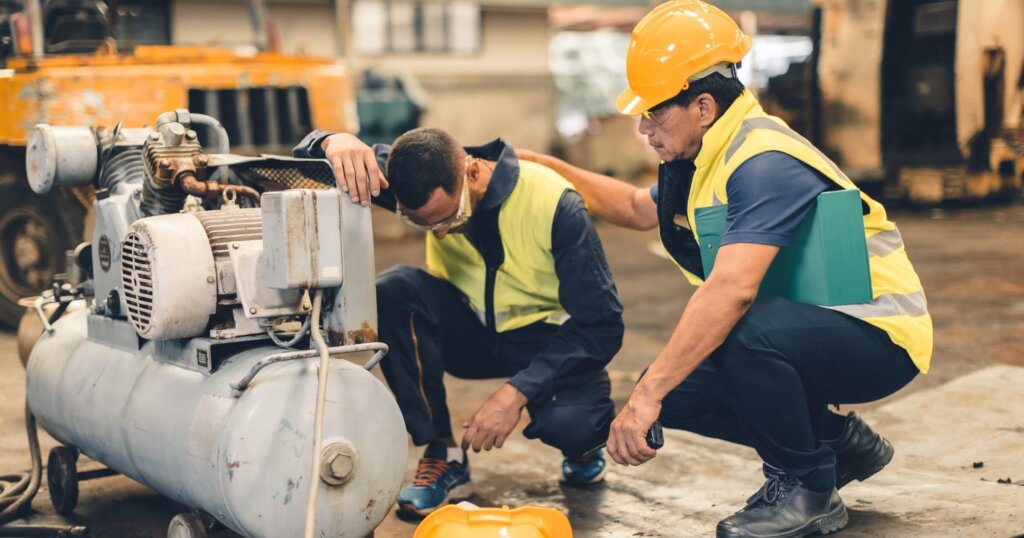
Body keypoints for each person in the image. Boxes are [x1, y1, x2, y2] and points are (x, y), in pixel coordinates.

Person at [518, 1, 933, 537]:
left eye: (655, 112)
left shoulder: (762, 161)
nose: (643, 128)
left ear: (704, 106)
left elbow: (733, 291)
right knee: (678, 391)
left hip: (878, 335)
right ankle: (836, 444)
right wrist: (548, 167)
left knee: (734, 332)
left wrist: (643, 401)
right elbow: (635, 209)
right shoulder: (702, 157)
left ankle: (807, 487)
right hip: (810, 330)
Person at [293, 127, 624, 517]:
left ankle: (582, 450)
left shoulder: (555, 205)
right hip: (472, 333)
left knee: (575, 425)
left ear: (473, 173)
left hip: (544, 341)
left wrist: (516, 391)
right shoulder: (409, 173)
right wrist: (332, 140)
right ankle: (443, 452)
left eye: (450, 216)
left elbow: (602, 324)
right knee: (393, 289)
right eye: (424, 223)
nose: (442, 231)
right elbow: (307, 162)